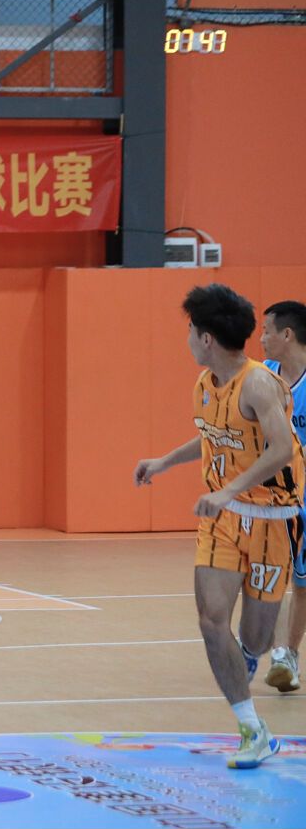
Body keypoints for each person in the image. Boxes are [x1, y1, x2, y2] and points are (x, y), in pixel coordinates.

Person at [133, 284, 302, 769]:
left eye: (190, 330)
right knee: (210, 621)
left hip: (273, 520)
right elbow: (214, 437)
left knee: (257, 639)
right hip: (223, 521)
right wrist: (164, 461)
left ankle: (247, 654)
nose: (187, 338)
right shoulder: (205, 384)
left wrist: (228, 490)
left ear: (206, 337)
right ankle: (252, 728)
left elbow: (281, 450)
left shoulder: (259, 384)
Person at [259, 300, 306, 693]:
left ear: (287, 334)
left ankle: (289, 653)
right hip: (273, 496)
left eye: (266, 331)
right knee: (270, 573)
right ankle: (278, 652)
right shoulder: (264, 377)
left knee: (302, 581)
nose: (260, 339)